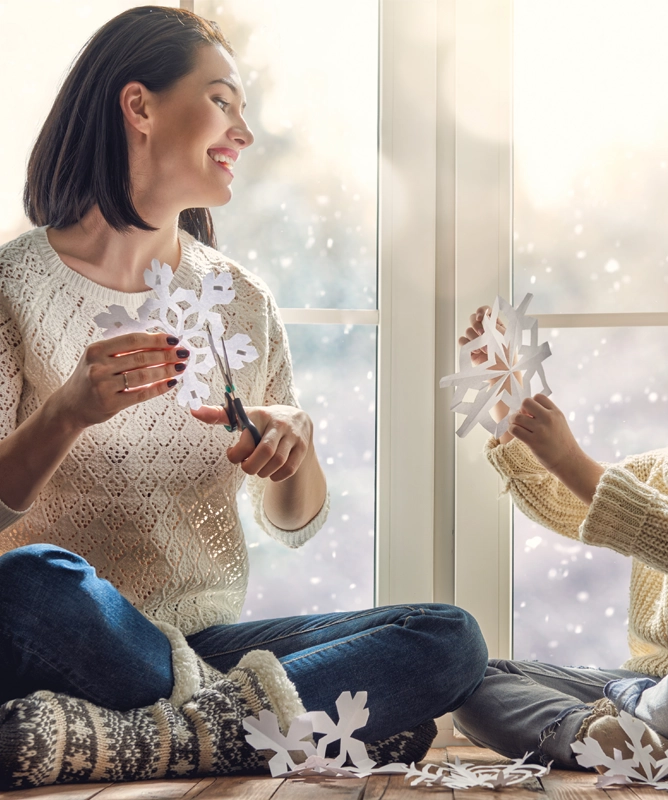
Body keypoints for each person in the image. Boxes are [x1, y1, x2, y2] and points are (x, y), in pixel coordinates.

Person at [0, 6, 487, 788]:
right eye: (222, 101)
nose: (244, 134)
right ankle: (282, 730)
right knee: (28, 583)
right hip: (67, 638)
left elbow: (290, 521)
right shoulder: (13, 284)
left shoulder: (237, 300)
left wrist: (296, 450)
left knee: (447, 637)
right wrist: (67, 412)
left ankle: (138, 738)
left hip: (204, 645)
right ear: (140, 107)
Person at [453, 277, 668, 775]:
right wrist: (509, 404)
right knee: (469, 679)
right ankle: (603, 736)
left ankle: (643, 727)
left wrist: (570, 457)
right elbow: (572, 505)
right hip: (649, 686)